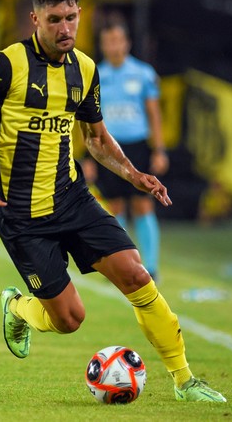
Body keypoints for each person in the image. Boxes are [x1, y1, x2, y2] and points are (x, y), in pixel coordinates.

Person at [0, 0, 226, 402]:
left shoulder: (85, 69)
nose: (65, 28)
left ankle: (185, 380)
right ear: (35, 19)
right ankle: (17, 307)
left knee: (136, 274)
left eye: (71, 17)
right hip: (21, 215)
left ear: (79, 15)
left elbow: (95, 137)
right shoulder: (7, 64)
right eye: (54, 19)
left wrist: (133, 174)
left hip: (72, 198)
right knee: (71, 319)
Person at [83, 15, 168, 281]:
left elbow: (154, 114)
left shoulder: (143, 74)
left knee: (144, 206)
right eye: (108, 41)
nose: (114, 46)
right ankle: (122, 266)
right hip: (108, 151)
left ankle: (151, 268)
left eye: (118, 40)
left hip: (139, 147)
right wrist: (87, 156)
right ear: (102, 45)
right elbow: (87, 119)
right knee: (114, 208)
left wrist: (159, 150)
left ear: (127, 43)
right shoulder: (95, 74)